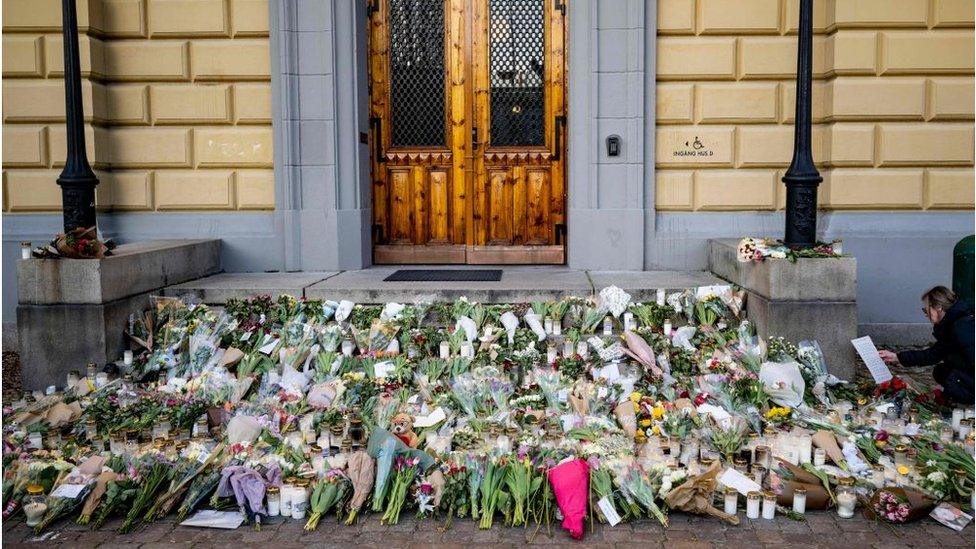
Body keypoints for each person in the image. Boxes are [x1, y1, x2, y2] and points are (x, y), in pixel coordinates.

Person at [879, 286, 974, 404]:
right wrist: (897, 357)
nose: (926, 314)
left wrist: (948, 388)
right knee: (941, 371)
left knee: (949, 376)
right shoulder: (953, 324)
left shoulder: (961, 326)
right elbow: (933, 354)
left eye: (926, 310)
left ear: (938, 307)